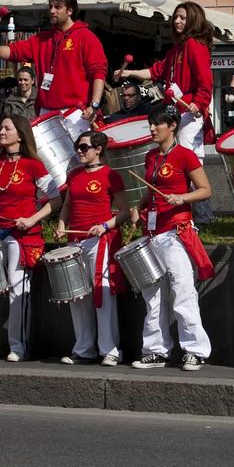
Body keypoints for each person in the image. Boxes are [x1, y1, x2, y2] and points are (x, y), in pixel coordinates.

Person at [0, 114, 61, 361]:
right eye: (1, 127)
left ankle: (18, 347)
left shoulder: (34, 165)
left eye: (7, 128)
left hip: (21, 234)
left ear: (20, 133)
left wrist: (31, 220)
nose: (2, 132)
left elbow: (55, 200)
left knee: (18, 290)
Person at [129, 104, 214, 371]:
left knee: (182, 291)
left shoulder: (186, 156)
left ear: (173, 125)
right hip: (153, 232)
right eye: (150, 124)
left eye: (157, 124)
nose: (152, 128)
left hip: (176, 232)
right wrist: (138, 206)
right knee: (152, 295)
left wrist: (182, 198)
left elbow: (206, 190)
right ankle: (155, 350)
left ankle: (195, 350)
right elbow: (150, 191)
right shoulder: (151, 157)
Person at [117, 2, 214, 225]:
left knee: (187, 160)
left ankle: (200, 216)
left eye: (182, 18)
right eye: (176, 17)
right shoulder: (175, 50)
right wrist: (129, 72)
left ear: (193, 21)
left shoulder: (195, 46)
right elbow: (155, 71)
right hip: (177, 112)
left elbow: (205, 83)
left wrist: (198, 104)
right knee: (181, 159)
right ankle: (199, 215)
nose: (177, 21)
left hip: (190, 114)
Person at [56, 131, 128, 366]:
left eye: (84, 147)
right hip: (74, 240)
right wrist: (60, 225)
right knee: (78, 297)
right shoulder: (74, 175)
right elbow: (67, 205)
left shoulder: (111, 175)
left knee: (103, 294)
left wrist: (104, 226)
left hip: (99, 240)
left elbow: (125, 212)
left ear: (99, 149)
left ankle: (110, 350)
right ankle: (83, 348)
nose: (79, 151)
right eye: (78, 147)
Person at [0, 0, 107, 121]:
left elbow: (99, 72)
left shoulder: (86, 37)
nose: (52, 11)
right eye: (50, 6)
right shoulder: (42, 39)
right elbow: (14, 51)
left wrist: (94, 104)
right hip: (45, 111)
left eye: (58, 7)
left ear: (70, 10)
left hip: (75, 113)